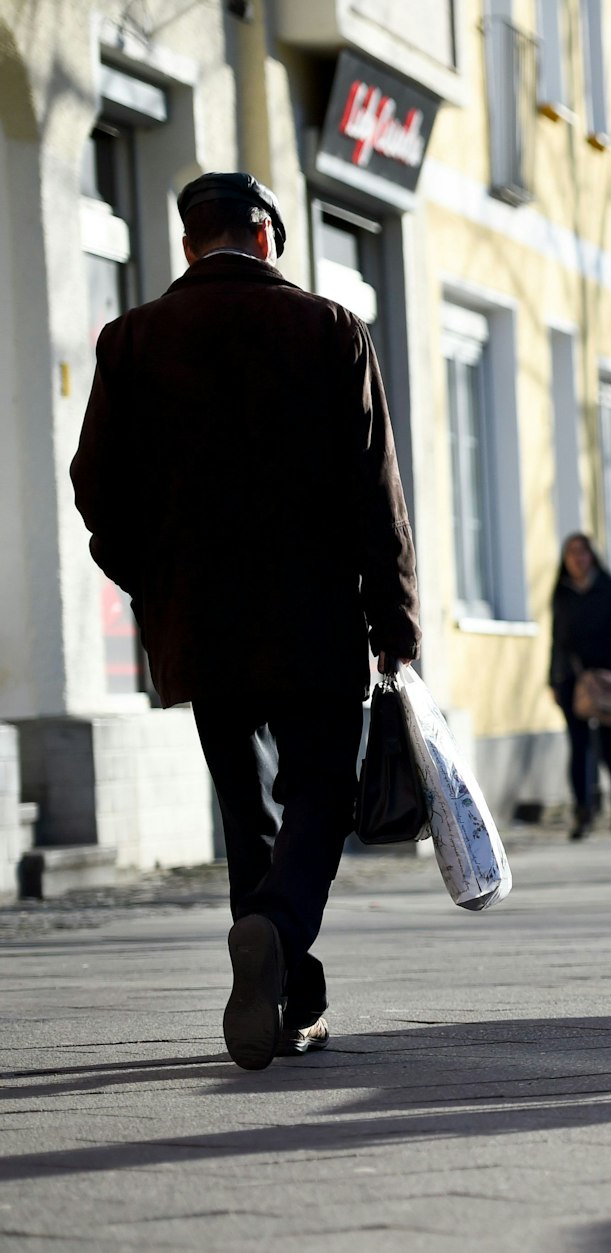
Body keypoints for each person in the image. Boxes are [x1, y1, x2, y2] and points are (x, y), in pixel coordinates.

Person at [70, 173, 419, 1071]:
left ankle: (288, 997)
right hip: (315, 619)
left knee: (245, 809)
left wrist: (155, 582)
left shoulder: (132, 339)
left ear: (192, 246)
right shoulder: (329, 330)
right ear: (268, 238)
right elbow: (376, 497)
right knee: (319, 797)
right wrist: (396, 625)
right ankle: (273, 929)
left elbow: (95, 488)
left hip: (202, 627)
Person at [549, 534, 611, 839]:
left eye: (583, 553)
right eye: (572, 553)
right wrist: (553, 679)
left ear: (592, 557)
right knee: (579, 749)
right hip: (571, 681)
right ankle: (583, 814)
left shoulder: (610, 588)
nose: (578, 559)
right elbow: (556, 641)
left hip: (607, 681)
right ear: (565, 560)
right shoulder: (561, 593)